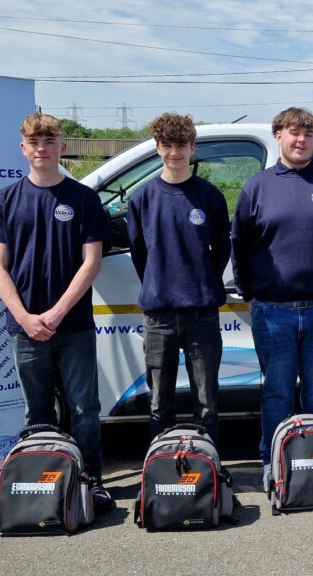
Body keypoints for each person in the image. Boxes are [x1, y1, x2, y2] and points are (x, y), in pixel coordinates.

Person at [0, 112, 114, 513]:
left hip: (72, 324)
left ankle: (92, 482)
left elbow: (91, 263)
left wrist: (55, 313)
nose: (42, 148)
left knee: (84, 409)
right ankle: (41, 487)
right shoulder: (4, 200)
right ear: (23, 148)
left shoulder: (84, 199)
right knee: (37, 410)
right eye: (34, 142)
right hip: (23, 328)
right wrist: (24, 316)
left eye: (49, 140)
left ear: (62, 147)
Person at [230, 107, 313, 490]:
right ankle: (273, 462)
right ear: (278, 136)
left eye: (308, 133)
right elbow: (239, 242)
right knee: (276, 390)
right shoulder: (258, 186)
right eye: (294, 132)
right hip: (273, 312)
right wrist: (248, 292)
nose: (301, 139)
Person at [126, 113, 229, 444]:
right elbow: (140, 253)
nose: (174, 153)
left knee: (207, 402)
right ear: (157, 148)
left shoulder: (209, 196)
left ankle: (209, 470)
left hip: (201, 314)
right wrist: (159, 283)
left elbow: (221, 250)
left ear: (193, 147)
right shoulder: (141, 199)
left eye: (181, 146)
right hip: (159, 317)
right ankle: (160, 469)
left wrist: (202, 281)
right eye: (167, 146)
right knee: (159, 403)